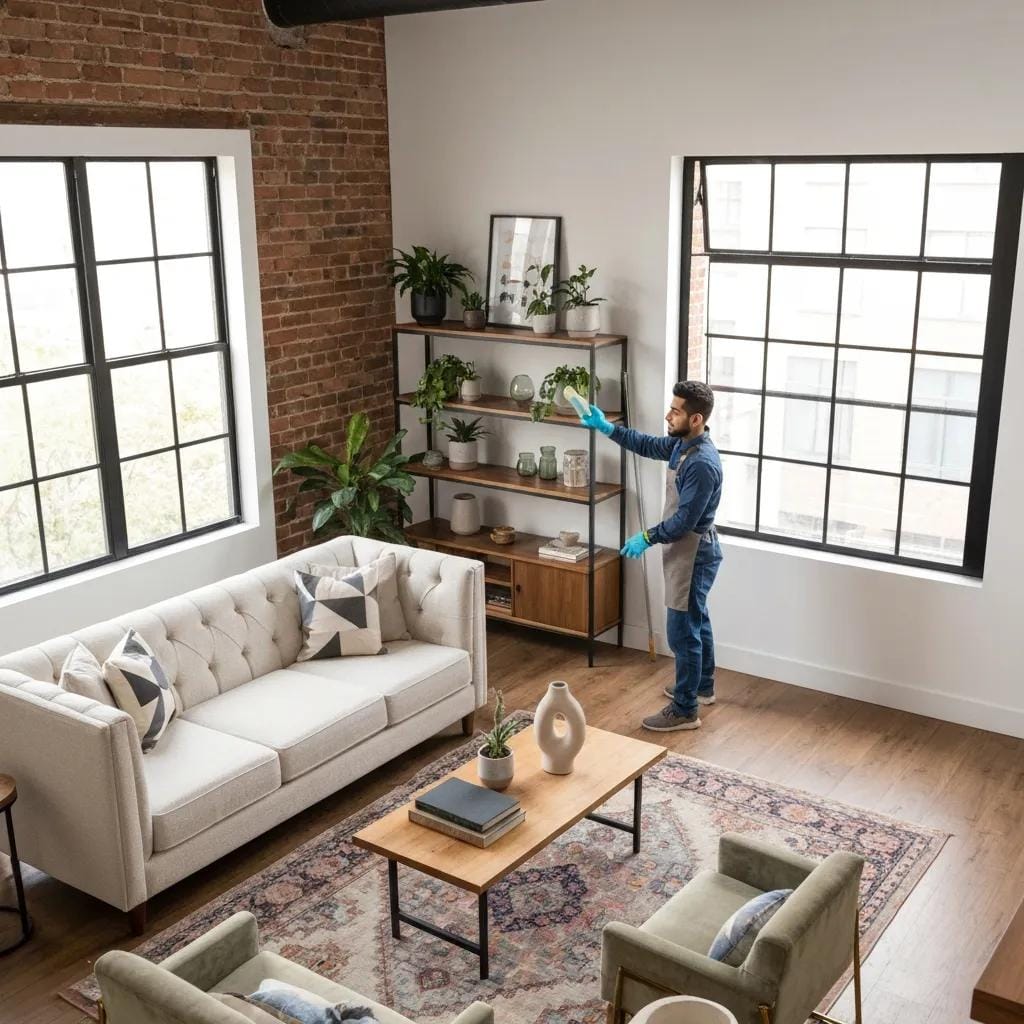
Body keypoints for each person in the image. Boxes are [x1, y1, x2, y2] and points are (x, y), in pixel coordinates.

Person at [577, 380, 723, 732]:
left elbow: (684, 520)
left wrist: (646, 536)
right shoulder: (683, 445)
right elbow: (646, 444)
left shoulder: (701, 463)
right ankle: (701, 687)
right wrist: (607, 427)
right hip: (687, 550)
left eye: (676, 411)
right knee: (695, 619)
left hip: (694, 553)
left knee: (681, 631)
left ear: (697, 419)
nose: (668, 415)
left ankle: (686, 709)